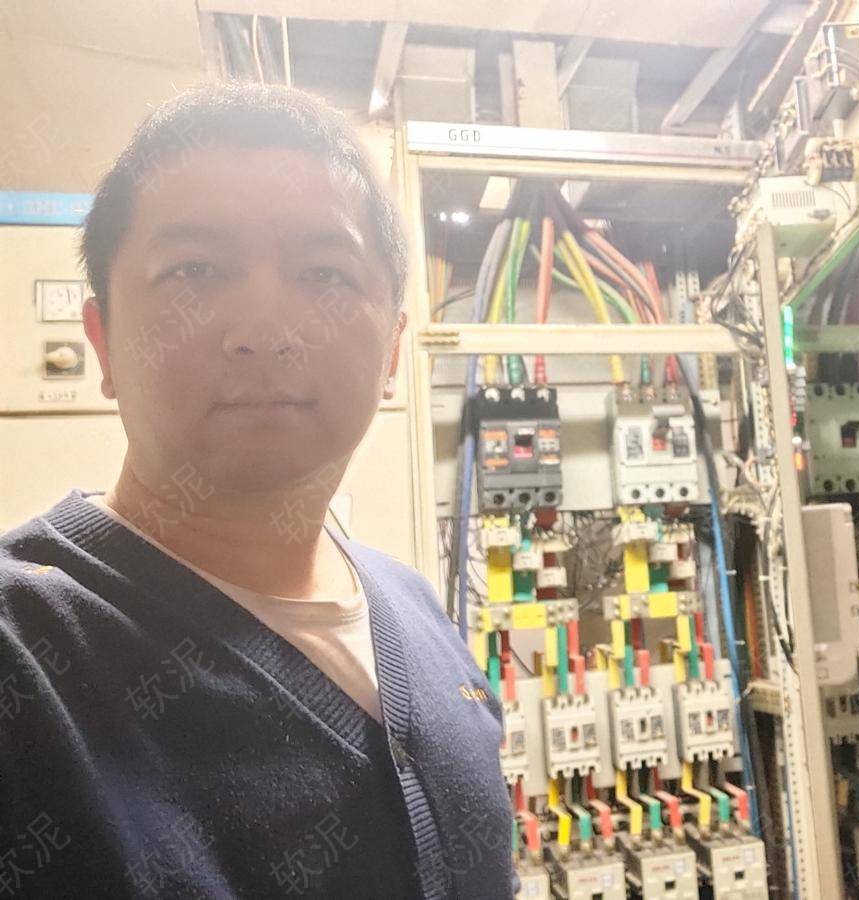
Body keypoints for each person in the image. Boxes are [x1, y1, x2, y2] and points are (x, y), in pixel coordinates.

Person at [0, 83, 513, 898]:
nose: (267, 332)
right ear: (103, 342)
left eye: (324, 272)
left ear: (392, 351)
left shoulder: (417, 613)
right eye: (194, 270)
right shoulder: (26, 653)